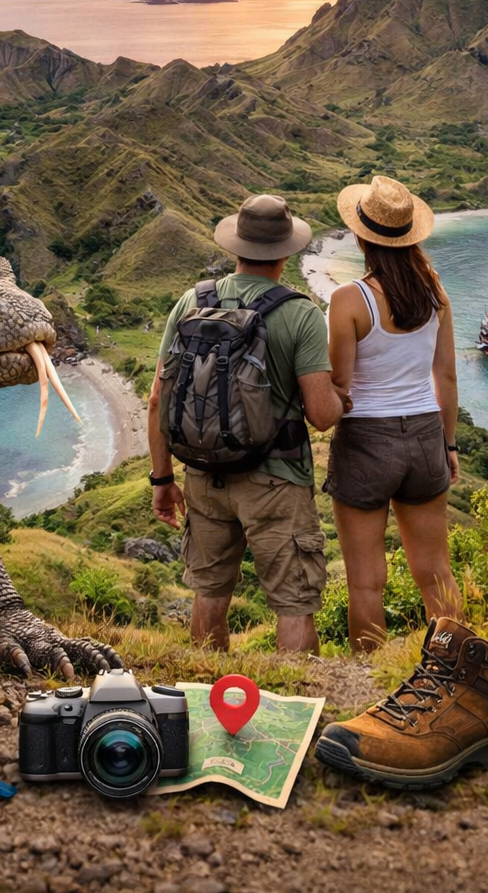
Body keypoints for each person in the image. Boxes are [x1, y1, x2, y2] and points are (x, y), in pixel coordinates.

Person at [147, 193, 347, 654]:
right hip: (276, 482)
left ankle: (203, 700)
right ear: (286, 252)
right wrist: (342, 398)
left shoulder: (191, 301)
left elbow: (158, 398)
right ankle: (296, 705)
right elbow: (320, 415)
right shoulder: (300, 313)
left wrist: (162, 478)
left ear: (236, 246)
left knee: (210, 594)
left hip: (203, 474)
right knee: (294, 601)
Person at [324, 174, 463, 653]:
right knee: (436, 572)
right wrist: (448, 444)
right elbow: (445, 378)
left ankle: (369, 679)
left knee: (366, 580)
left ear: (362, 237)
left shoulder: (349, 299)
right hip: (426, 435)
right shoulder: (435, 293)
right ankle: (455, 670)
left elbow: (340, 387)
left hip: (366, 441)